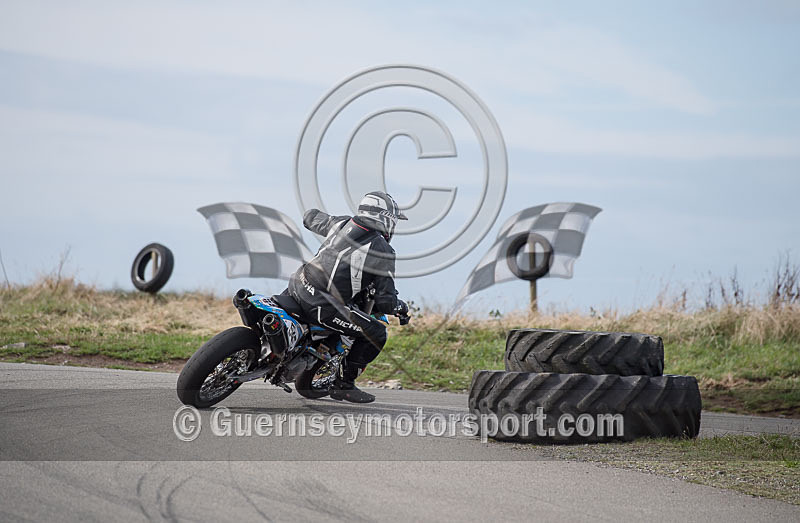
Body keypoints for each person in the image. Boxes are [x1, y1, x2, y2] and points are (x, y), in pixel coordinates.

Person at [287, 191, 410, 403]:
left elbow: (309, 217)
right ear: (386, 218)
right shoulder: (383, 250)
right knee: (377, 333)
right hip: (324, 305)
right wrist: (400, 307)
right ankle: (344, 384)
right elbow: (385, 302)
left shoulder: (341, 223)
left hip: (298, 283)